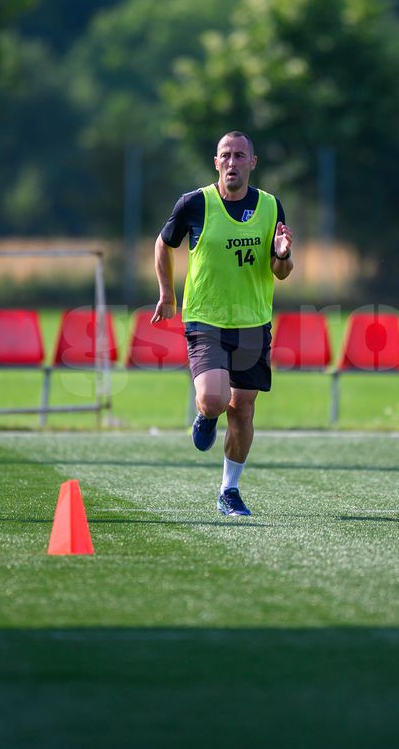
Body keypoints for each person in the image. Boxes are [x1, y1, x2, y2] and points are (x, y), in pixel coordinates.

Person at [153, 131, 294, 517]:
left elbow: (280, 271)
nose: (232, 163)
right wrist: (167, 294)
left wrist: (282, 254)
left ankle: (229, 491)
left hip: (253, 323)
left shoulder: (270, 206)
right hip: (206, 319)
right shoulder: (195, 204)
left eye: (240, 156)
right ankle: (204, 415)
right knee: (215, 400)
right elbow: (164, 243)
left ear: (253, 162)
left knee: (243, 410)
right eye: (225, 156)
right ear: (216, 162)